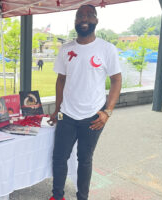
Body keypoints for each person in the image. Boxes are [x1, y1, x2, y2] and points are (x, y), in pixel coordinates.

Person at [48, 5, 122, 200]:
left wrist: (108, 112)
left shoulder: (107, 49)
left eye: (89, 15)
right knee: (59, 157)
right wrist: (57, 110)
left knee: (84, 160)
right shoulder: (66, 49)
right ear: (75, 21)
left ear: (96, 20)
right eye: (80, 15)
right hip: (67, 114)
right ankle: (57, 195)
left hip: (93, 115)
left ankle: (83, 197)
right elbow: (61, 80)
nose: (84, 19)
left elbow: (116, 80)